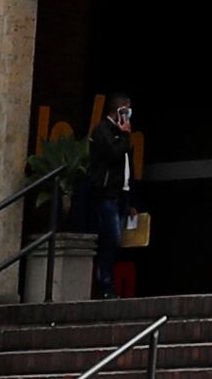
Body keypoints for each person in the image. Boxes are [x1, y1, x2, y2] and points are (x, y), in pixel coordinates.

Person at [77, 94, 140, 300]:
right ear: (119, 111)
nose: (129, 115)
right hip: (107, 194)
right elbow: (113, 154)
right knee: (110, 239)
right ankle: (104, 284)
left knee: (117, 241)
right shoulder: (103, 130)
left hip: (122, 193)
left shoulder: (121, 134)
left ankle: (108, 281)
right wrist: (125, 135)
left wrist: (132, 199)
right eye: (126, 110)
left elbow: (128, 166)